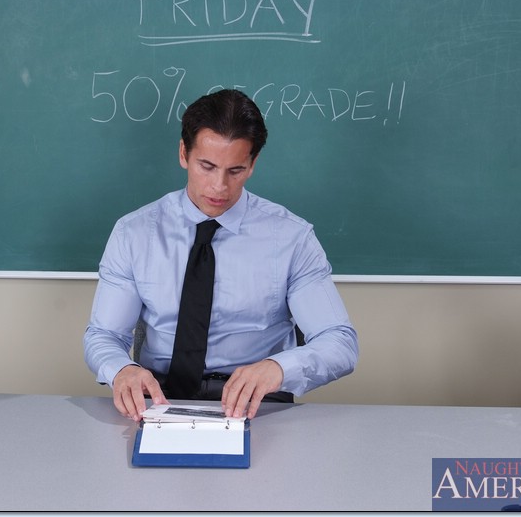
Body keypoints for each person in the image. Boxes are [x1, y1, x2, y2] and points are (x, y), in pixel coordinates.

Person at [83, 89, 358, 422]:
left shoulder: (291, 238)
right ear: (184, 154)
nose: (219, 187)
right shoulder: (134, 233)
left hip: (259, 404)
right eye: (207, 166)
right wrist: (122, 369)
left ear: (253, 164)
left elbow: (339, 342)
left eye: (235, 170)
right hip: (159, 400)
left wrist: (278, 367)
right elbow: (105, 336)